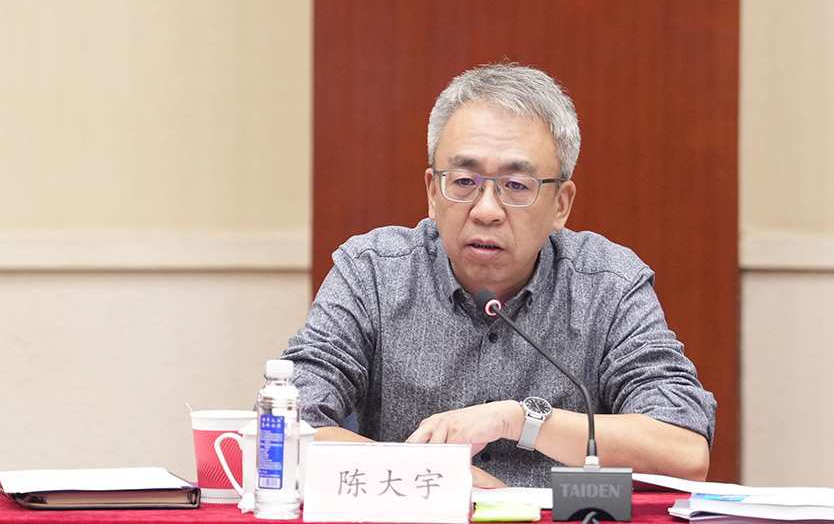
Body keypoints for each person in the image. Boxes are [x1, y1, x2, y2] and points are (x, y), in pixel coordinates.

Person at [280, 63, 716, 488]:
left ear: (561, 205)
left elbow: (684, 451)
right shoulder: (372, 273)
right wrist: (436, 475)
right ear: (433, 192)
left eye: (516, 186)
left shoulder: (608, 285)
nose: (486, 210)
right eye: (464, 181)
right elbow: (285, 424)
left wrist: (520, 420)